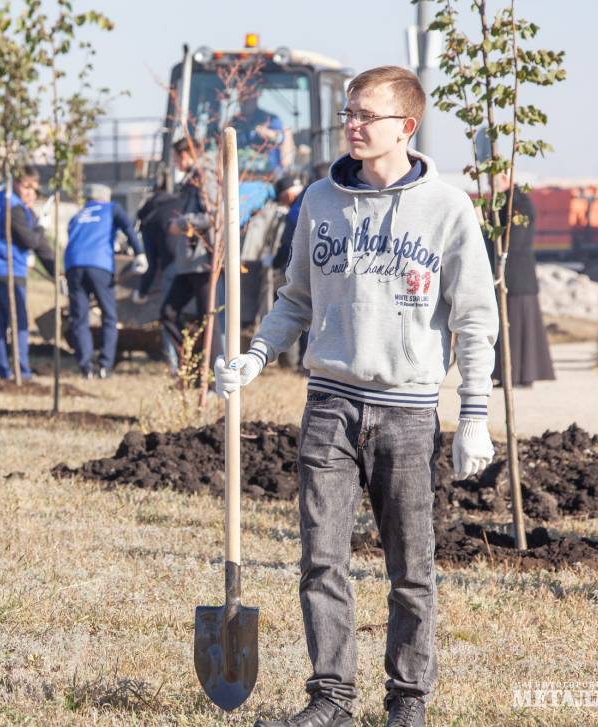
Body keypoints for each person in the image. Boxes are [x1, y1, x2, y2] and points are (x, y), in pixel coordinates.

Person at [215, 66, 498, 727]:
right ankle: (330, 701)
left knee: (410, 566)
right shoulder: (318, 200)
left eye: (366, 115)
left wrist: (474, 414)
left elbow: (474, 318)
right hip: (329, 404)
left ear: (404, 126)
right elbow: (295, 298)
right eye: (348, 112)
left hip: (406, 409)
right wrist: (256, 354)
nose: (352, 124)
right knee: (321, 560)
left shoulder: (446, 207)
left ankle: (407, 702)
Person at [0, 166, 57, 380]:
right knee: (19, 323)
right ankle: (23, 371)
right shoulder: (15, 208)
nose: (30, 192)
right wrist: (40, 227)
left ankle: (3, 369)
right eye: (26, 186)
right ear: (15, 182)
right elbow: (31, 241)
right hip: (7, 271)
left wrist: (57, 273)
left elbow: (38, 246)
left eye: (34, 189)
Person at [63, 183, 147, 378]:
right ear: (106, 198)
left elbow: (74, 240)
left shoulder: (78, 215)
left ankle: (86, 367)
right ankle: (104, 366)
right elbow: (127, 226)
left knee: (79, 318)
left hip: (73, 266)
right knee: (109, 316)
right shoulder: (111, 208)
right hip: (99, 265)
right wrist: (140, 252)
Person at [484, 175, 555, 387]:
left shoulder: (519, 204)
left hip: (517, 276)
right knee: (511, 328)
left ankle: (517, 376)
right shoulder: (504, 202)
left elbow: (512, 241)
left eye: (492, 179)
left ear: (505, 177)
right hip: (509, 275)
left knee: (517, 329)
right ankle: (509, 375)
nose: (489, 184)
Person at [159, 137, 220, 372]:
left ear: (186, 155)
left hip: (202, 261)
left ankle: (214, 378)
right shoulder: (190, 179)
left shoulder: (205, 176)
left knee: (209, 320)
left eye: (176, 157)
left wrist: (181, 224)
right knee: (169, 312)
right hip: (188, 263)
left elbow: (213, 215)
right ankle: (190, 366)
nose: (175, 163)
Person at [231, 87, 286, 172]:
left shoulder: (270, 119)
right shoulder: (234, 123)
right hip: (239, 174)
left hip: (268, 176)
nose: (245, 102)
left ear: (255, 99)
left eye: (248, 99)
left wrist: (269, 134)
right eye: (242, 99)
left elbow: (281, 138)